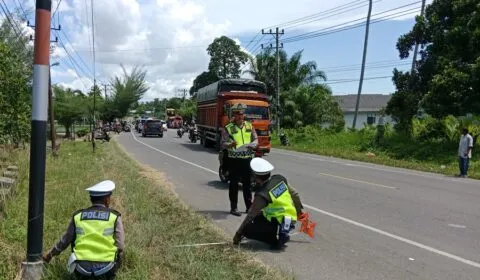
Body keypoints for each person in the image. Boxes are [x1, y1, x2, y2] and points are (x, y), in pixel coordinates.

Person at [42, 180, 124, 279]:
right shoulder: (114, 216)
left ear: (91, 198)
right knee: (120, 255)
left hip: (81, 269)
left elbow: (65, 241)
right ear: (107, 199)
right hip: (106, 270)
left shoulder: (78, 216)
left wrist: (50, 255)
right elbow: (120, 246)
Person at [233, 158, 305, 249]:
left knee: (247, 229)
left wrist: (238, 234)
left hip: (278, 218)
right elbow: (295, 195)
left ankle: (274, 241)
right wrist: (299, 212)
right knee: (260, 215)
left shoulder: (262, 194)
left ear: (256, 178)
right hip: (291, 217)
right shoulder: (279, 179)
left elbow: (250, 215)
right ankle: (283, 231)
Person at [221, 103, 258, 216]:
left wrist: (253, 144)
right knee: (234, 184)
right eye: (237, 113)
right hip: (234, 160)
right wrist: (230, 145)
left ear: (243, 115)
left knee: (247, 184)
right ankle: (234, 208)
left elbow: (255, 139)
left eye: (241, 113)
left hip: (247, 159)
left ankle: (249, 207)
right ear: (234, 115)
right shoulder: (228, 128)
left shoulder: (249, 126)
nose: (239, 116)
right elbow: (223, 143)